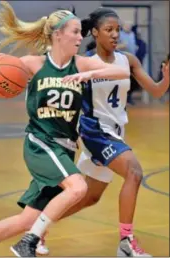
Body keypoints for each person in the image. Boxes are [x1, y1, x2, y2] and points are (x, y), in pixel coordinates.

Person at [0, 2, 129, 257]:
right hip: (41, 142)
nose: (79, 36)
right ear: (57, 34)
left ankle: (16, 235)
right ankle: (28, 242)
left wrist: (89, 75)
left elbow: (121, 72)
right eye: (74, 31)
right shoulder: (32, 64)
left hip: (65, 148)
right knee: (79, 188)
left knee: (26, 219)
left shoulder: (81, 64)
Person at [40, 7, 169, 257]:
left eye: (118, 30)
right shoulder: (83, 62)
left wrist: (166, 79)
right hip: (94, 131)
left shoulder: (128, 60)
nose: (115, 35)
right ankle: (126, 242)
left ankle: (38, 226)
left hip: (115, 132)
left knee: (88, 198)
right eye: (109, 30)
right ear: (96, 33)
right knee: (134, 172)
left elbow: (155, 91)